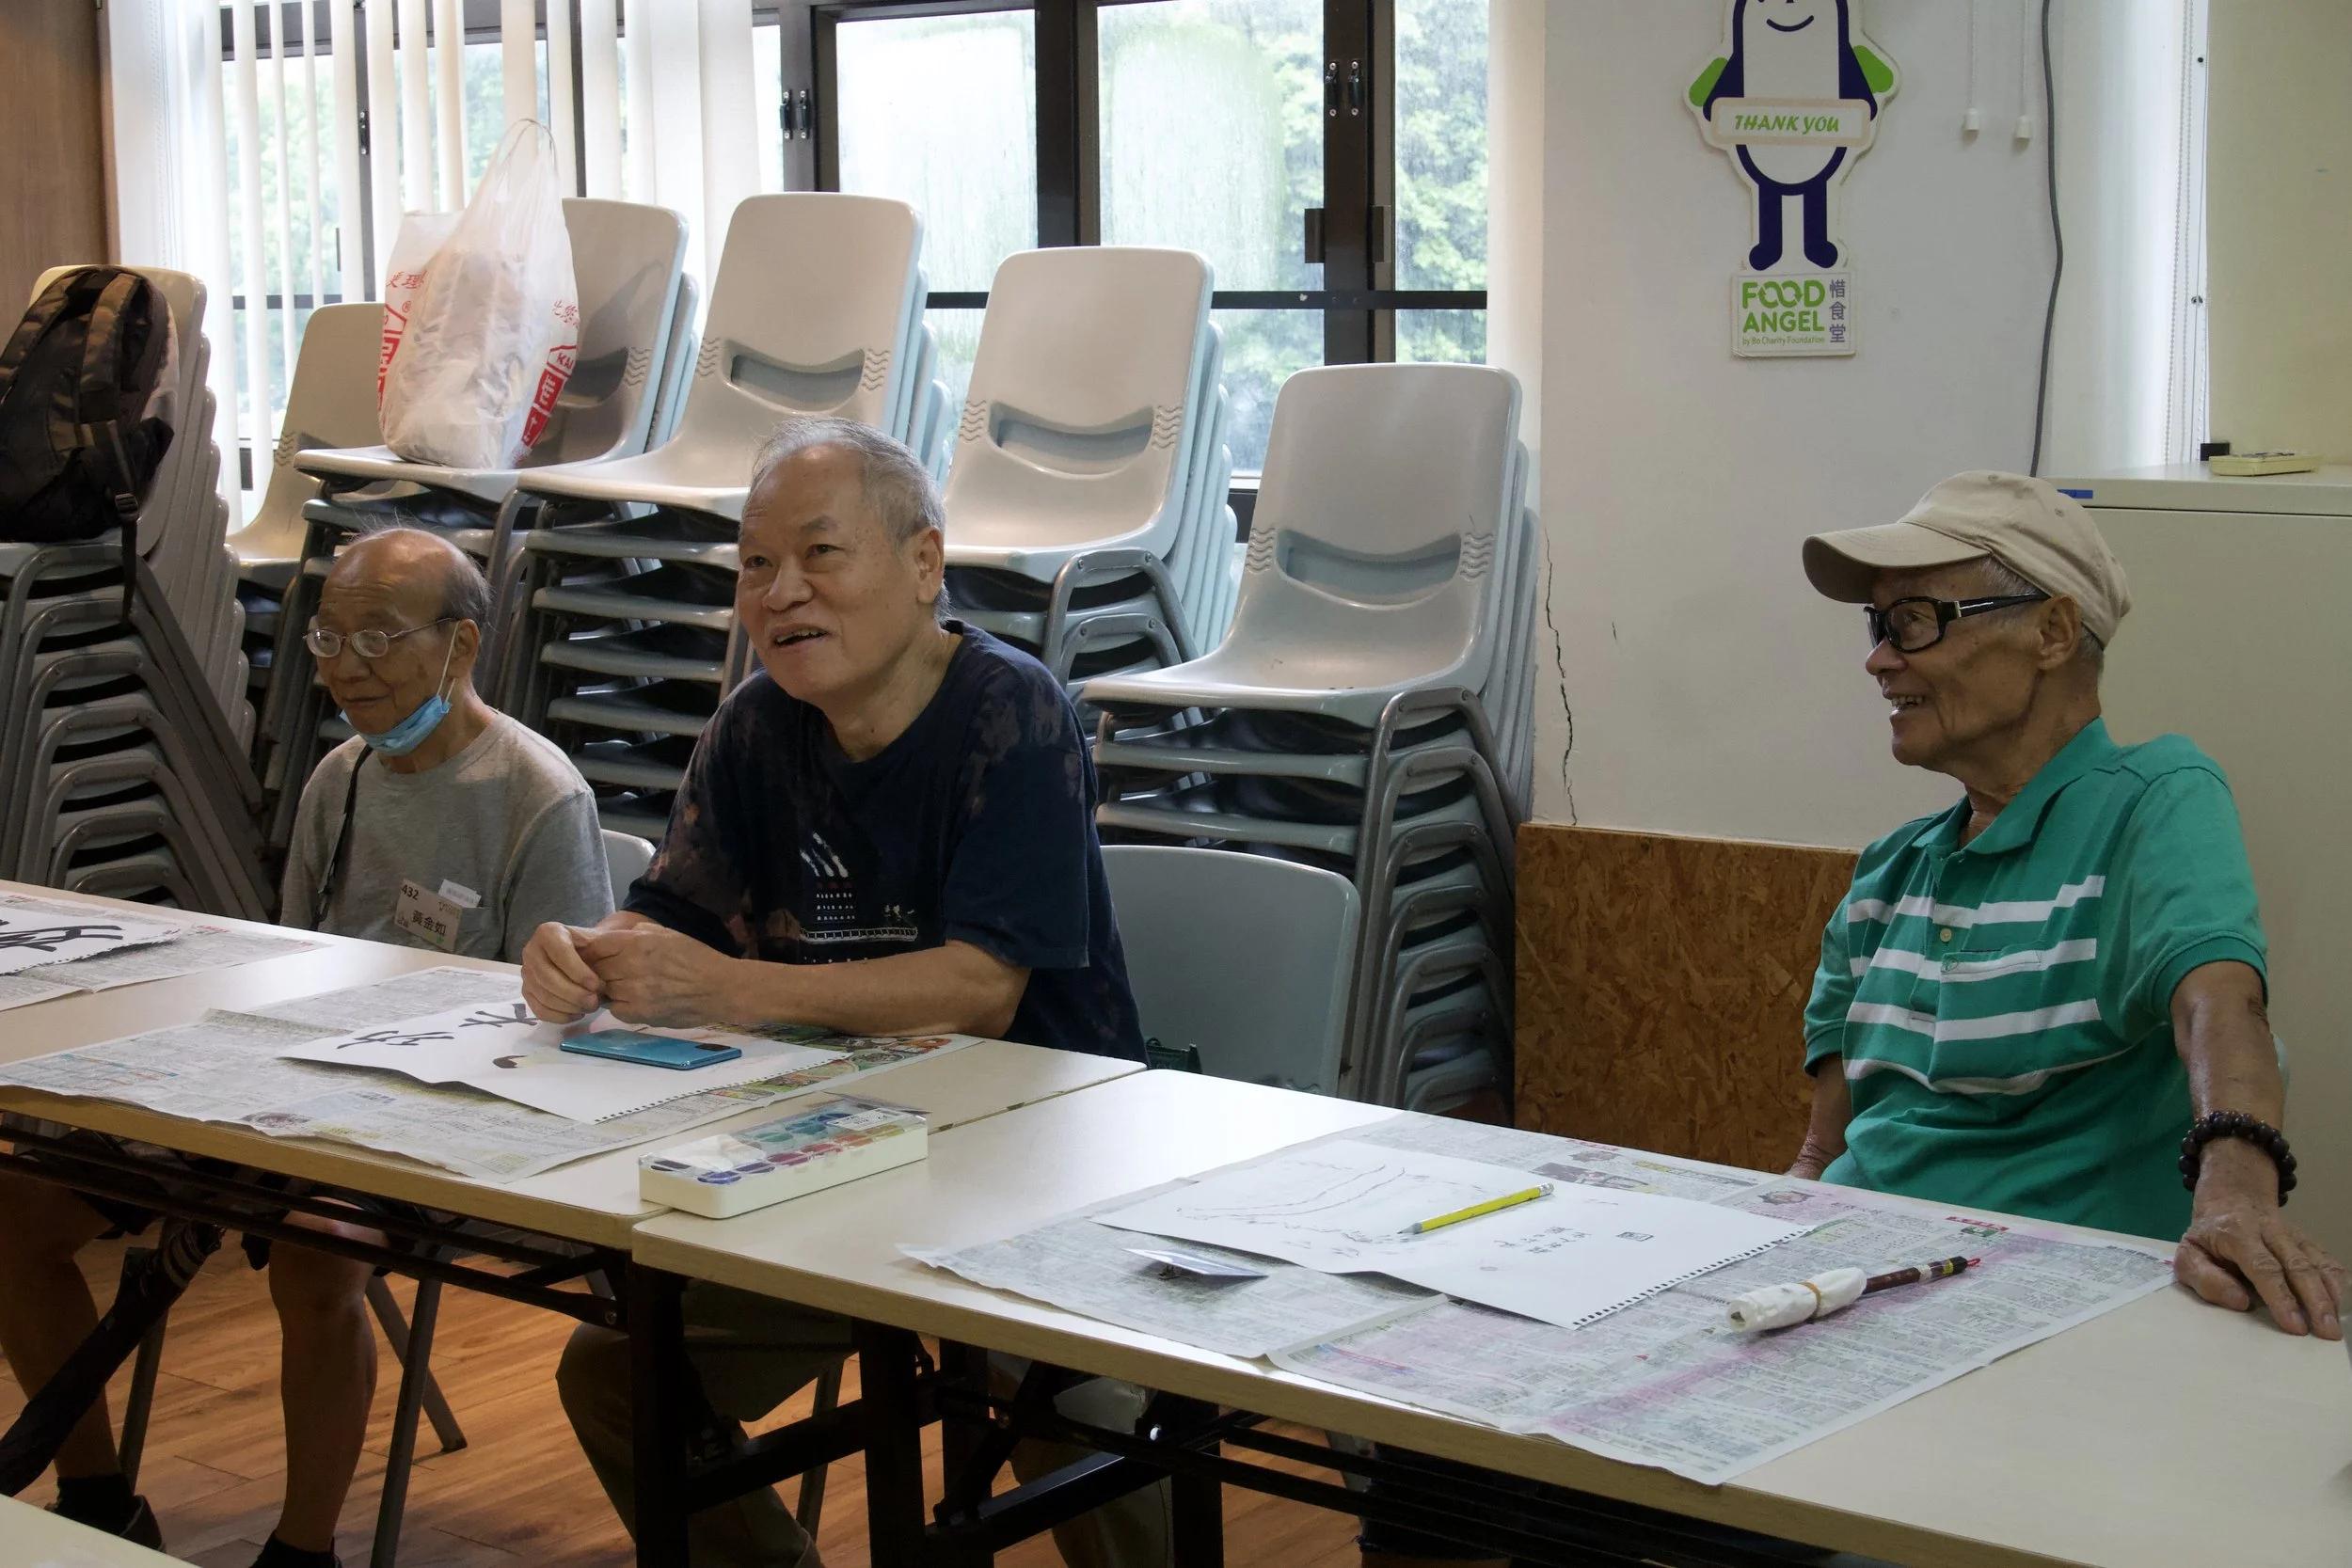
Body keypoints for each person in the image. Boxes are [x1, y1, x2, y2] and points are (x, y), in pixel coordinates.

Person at [527, 416, 1151, 1568]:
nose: (781, 592)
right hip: (834, 1159)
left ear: (923, 564)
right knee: (623, 1375)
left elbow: (978, 990)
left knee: (1081, 1418)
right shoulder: (754, 724)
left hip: (1034, 1165)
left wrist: (731, 988)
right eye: (755, 564)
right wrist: (584, 950)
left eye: (820, 552)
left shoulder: (1012, 713)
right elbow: (670, 911)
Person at [0, 527, 611, 1567]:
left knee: (316, 1242)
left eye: (377, 638)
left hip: (440, 1107)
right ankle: (97, 1497)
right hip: (295, 1084)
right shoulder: (341, 775)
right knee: (18, 1209)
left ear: (461, 645)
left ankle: (302, 1547)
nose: (344, 667)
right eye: (328, 638)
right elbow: (298, 957)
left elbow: (569, 1023)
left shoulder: (538, 796)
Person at [1794, 470, 2344, 1333]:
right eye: (1878, 624)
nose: (1880, 658)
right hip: (1862, 1291)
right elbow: (1823, 1151)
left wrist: (2236, 1191)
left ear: (2051, 631)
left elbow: (2220, 1002)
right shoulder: (1887, 873)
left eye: (1916, 620)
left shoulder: (2152, 799)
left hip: (2045, 1317)